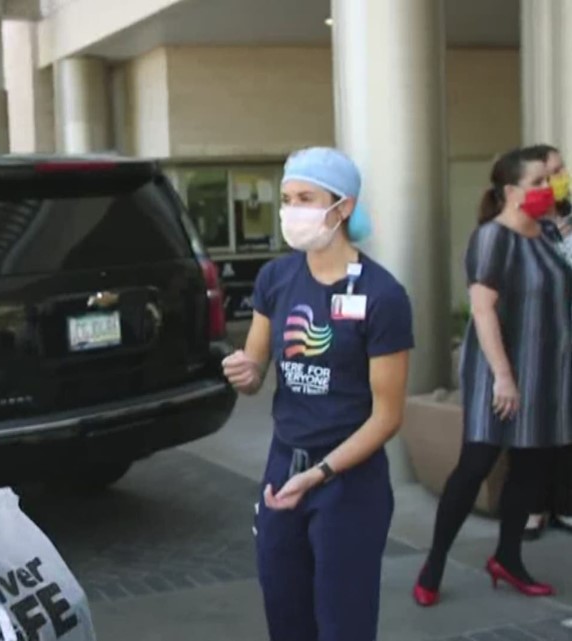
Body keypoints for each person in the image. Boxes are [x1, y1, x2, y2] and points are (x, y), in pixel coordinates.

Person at [222, 147, 413, 640]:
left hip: (348, 482)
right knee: (286, 619)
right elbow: (256, 369)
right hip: (282, 469)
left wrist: (322, 474)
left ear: (343, 207)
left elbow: (387, 416)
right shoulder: (276, 279)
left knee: (342, 626)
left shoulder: (383, 295)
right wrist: (245, 372)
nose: (292, 210)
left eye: (306, 197)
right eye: (287, 198)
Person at [414, 146, 572, 607]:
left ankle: (507, 558)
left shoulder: (549, 234)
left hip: (547, 371)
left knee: (532, 465)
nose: (551, 188)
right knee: (476, 464)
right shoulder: (491, 238)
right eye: (541, 181)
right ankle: (434, 564)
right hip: (499, 371)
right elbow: (483, 311)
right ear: (510, 191)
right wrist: (503, 377)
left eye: (554, 179)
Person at [522, 143, 572, 540]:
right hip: (536, 340)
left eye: (560, 170)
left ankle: (565, 504)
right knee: (535, 427)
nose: (557, 179)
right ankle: (533, 507)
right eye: (548, 173)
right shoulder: (519, 227)